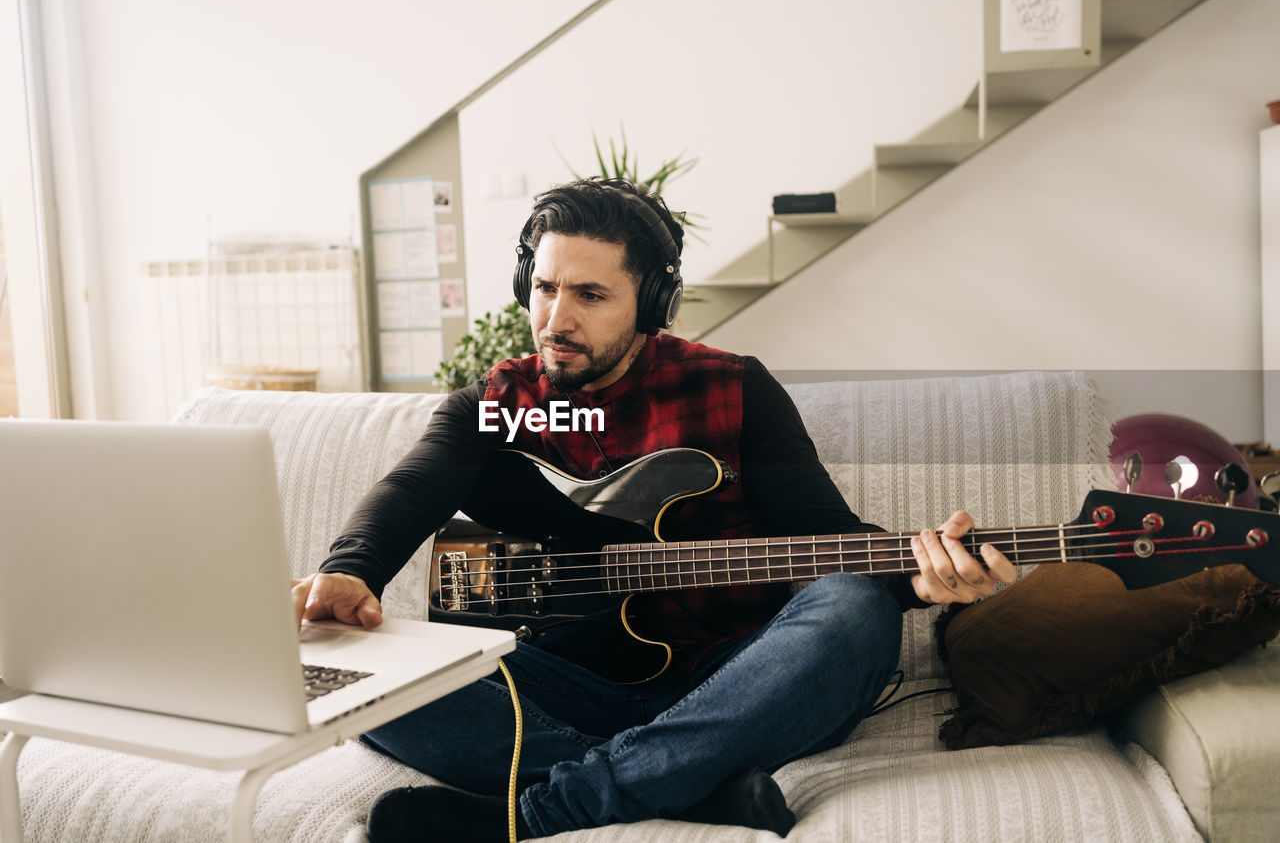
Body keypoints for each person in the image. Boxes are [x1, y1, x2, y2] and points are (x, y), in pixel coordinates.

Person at [291, 177, 1016, 841]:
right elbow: (411, 488)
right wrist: (351, 571)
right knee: (351, 668)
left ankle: (551, 805)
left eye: (590, 295)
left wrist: (917, 577)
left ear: (653, 300)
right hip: (557, 688)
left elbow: (825, 539)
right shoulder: (495, 402)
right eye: (543, 288)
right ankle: (692, 784)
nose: (555, 318)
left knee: (855, 612)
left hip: (737, 680)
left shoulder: (735, 388)